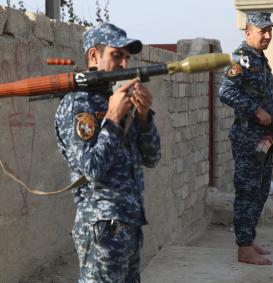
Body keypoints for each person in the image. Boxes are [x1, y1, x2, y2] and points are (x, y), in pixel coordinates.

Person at [54, 23, 161, 282]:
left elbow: (152, 157)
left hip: (130, 221)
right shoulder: (78, 104)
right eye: (116, 55)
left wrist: (144, 117)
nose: (124, 64)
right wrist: (113, 118)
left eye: (126, 57)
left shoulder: (118, 97)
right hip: (102, 225)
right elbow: (91, 168)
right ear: (94, 56)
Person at [218, 12, 273, 265]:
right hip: (247, 136)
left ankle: (249, 239)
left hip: (263, 137)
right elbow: (225, 92)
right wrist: (256, 110)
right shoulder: (241, 58)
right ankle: (243, 248)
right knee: (247, 191)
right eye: (262, 30)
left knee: (261, 189)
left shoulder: (260, 59)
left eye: (270, 30)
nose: (267, 35)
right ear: (248, 32)